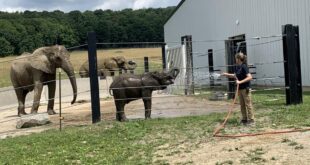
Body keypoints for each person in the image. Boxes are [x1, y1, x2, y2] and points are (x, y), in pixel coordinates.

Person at [221, 52, 254, 125]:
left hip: (245, 88)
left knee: (248, 104)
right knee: (242, 105)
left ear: (238, 59)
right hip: (240, 89)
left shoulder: (244, 66)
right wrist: (226, 75)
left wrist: (240, 82)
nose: (235, 59)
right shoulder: (238, 67)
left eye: (236, 58)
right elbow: (235, 75)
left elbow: (250, 77)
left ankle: (251, 120)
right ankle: (244, 119)